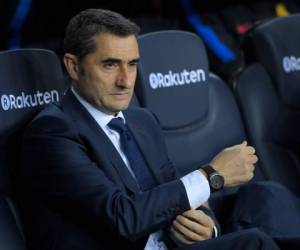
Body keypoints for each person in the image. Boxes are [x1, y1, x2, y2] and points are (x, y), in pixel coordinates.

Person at [17, 9, 280, 250]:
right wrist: (212, 176)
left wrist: (207, 227)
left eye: (132, 64)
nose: (125, 80)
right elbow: (122, 217)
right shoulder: (52, 132)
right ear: (74, 67)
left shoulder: (142, 122)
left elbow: (174, 191)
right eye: (110, 65)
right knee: (255, 243)